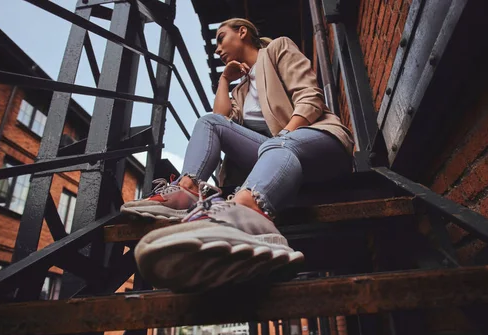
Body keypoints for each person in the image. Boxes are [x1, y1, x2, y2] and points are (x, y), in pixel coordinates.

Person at [122, 18, 354, 292]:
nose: (218, 48)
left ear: (242, 32)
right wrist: (224, 80)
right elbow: (220, 123)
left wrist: (284, 136)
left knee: (276, 145)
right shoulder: (240, 90)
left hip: (320, 144)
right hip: (277, 160)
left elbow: (310, 97)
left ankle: (251, 215)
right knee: (208, 122)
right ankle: (188, 189)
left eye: (221, 38)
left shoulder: (278, 48)